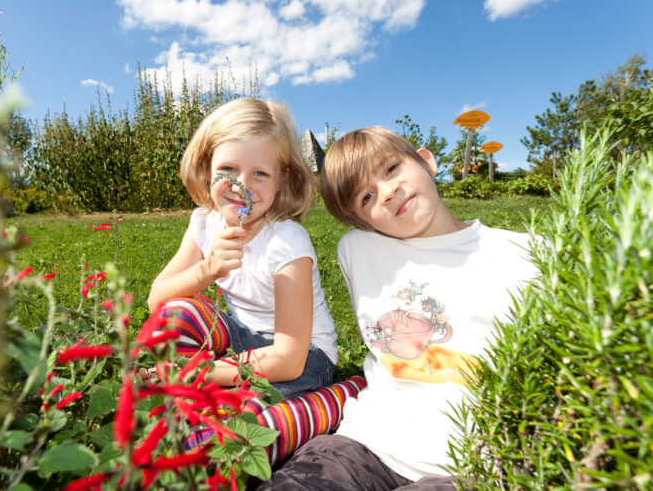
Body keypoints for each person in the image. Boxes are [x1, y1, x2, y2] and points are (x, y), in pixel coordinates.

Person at [260, 127, 538, 490]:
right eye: (366, 197)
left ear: (426, 161)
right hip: (362, 445)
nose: (388, 192)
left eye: (391, 169)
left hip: (471, 465)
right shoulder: (357, 250)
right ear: (362, 222)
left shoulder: (526, 253)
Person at [147, 97, 338, 399]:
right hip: (241, 340)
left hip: (305, 357)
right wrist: (206, 269)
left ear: (282, 180)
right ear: (207, 168)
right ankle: (212, 393)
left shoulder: (286, 242)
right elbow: (157, 301)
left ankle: (328, 400)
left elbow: (288, 359)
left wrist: (202, 371)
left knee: (245, 416)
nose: (241, 186)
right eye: (228, 168)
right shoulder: (204, 223)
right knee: (176, 314)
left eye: (260, 173)